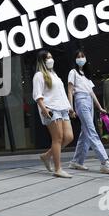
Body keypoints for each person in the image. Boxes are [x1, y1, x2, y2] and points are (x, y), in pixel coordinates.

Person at [67, 50, 109, 174]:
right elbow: (69, 90)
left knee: (85, 133)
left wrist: (99, 107)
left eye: (82, 56)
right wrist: (70, 107)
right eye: (78, 57)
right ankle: (104, 162)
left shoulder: (85, 74)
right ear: (74, 59)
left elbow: (91, 92)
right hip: (80, 100)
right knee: (91, 131)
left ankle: (77, 161)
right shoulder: (72, 72)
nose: (81, 58)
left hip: (89, 101)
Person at [33, 50, 74, 178]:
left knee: (69, 137)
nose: (51, 60)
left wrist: (69, 108)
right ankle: (58, 169)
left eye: (51, 57)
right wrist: (44, 109)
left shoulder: (54, 74)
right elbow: (37, 94)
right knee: (58, 138)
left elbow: (61, 93)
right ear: (42, 61)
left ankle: (47, 156)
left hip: (63, 108)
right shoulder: (39, 75)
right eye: (48, 58)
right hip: (51, 109)